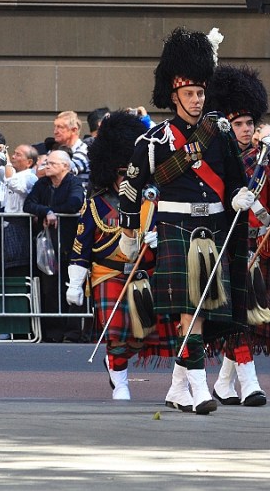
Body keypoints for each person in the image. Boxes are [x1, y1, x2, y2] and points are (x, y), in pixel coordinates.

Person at [117, 27, 251, 415]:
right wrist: (130, 232)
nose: (197, 100)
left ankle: (178, 388)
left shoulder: (220, 135)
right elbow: (132, 186)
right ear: (173, 95)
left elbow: (232, 178)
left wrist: (239, 196)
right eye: (189, 94)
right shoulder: (154, 141)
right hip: (175, 227)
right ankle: (199, 386)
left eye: (201, 93)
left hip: (213, 228)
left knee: (202, 313)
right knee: (190, 312)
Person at [204, 64, 270, 407]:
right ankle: (250, 383)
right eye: (238, 124)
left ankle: (223, 384)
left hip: (258, 249)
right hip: (226, 248)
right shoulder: (215, 159)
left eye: (249, 123)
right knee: (238, 319)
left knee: (245, 318)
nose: (245, 129)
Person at [67, 110, 176, 400]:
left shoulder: (153, 201)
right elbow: (81, 244)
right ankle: (121, 382)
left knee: (142, 335)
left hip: (145, 274)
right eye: (121, 173)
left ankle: (117, 365)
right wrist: (75, 281)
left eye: (131, 172)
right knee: (116, 332)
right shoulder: (96, 205)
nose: (126, 179)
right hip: (109, 273)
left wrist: (158, 239)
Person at [24, 149, 86, 343]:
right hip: (49, 245)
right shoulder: (42, 184)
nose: (46, 166)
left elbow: (75, 203)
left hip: (71, 243)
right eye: (46, 163)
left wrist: (52, 212)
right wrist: (47, 211)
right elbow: (28, 204)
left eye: (51, 163)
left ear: (65, 166)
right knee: (50, 288)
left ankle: (73, 332)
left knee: (72, 285)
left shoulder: (73, 182)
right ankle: (53, 332)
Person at [0, 144, 39, 278]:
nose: (13, 156)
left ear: (29, 162)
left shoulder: (30, 177)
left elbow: (13, 183)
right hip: (6, 226)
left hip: (20, 226)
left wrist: (6, 161)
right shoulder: (16, 173)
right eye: (13, 153)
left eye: (18, 155)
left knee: (18, 268)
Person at [53, 111, 90, 188]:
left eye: (60, 127)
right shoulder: (55, 150)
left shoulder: (84, 151)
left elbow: (61, 172)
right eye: (55, 127)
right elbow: (39, 172)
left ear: (74, 130)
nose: (55, 131)